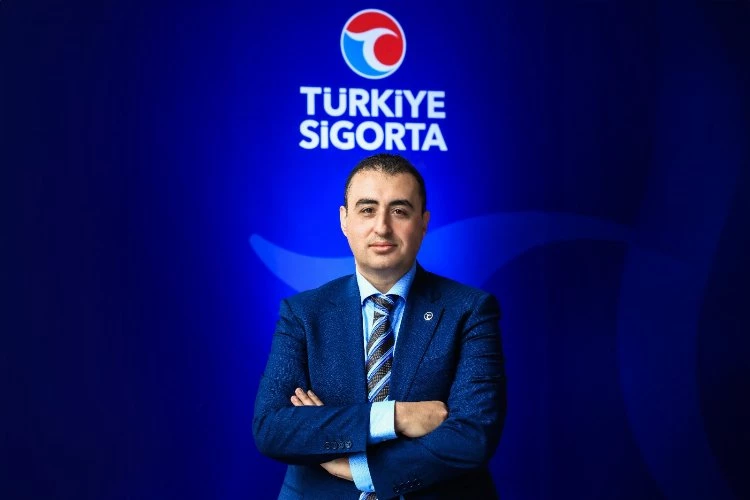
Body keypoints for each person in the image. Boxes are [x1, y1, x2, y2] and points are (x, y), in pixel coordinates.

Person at [253, 153, 506, 499]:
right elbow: (272, 428)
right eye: (367, 210)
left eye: (399, 211)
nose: (382, 227)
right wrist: (394, 417)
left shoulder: (470, 310)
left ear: (423, 222)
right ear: (345, 220)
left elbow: (472, 436)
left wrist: (357, 467)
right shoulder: (302, 313)